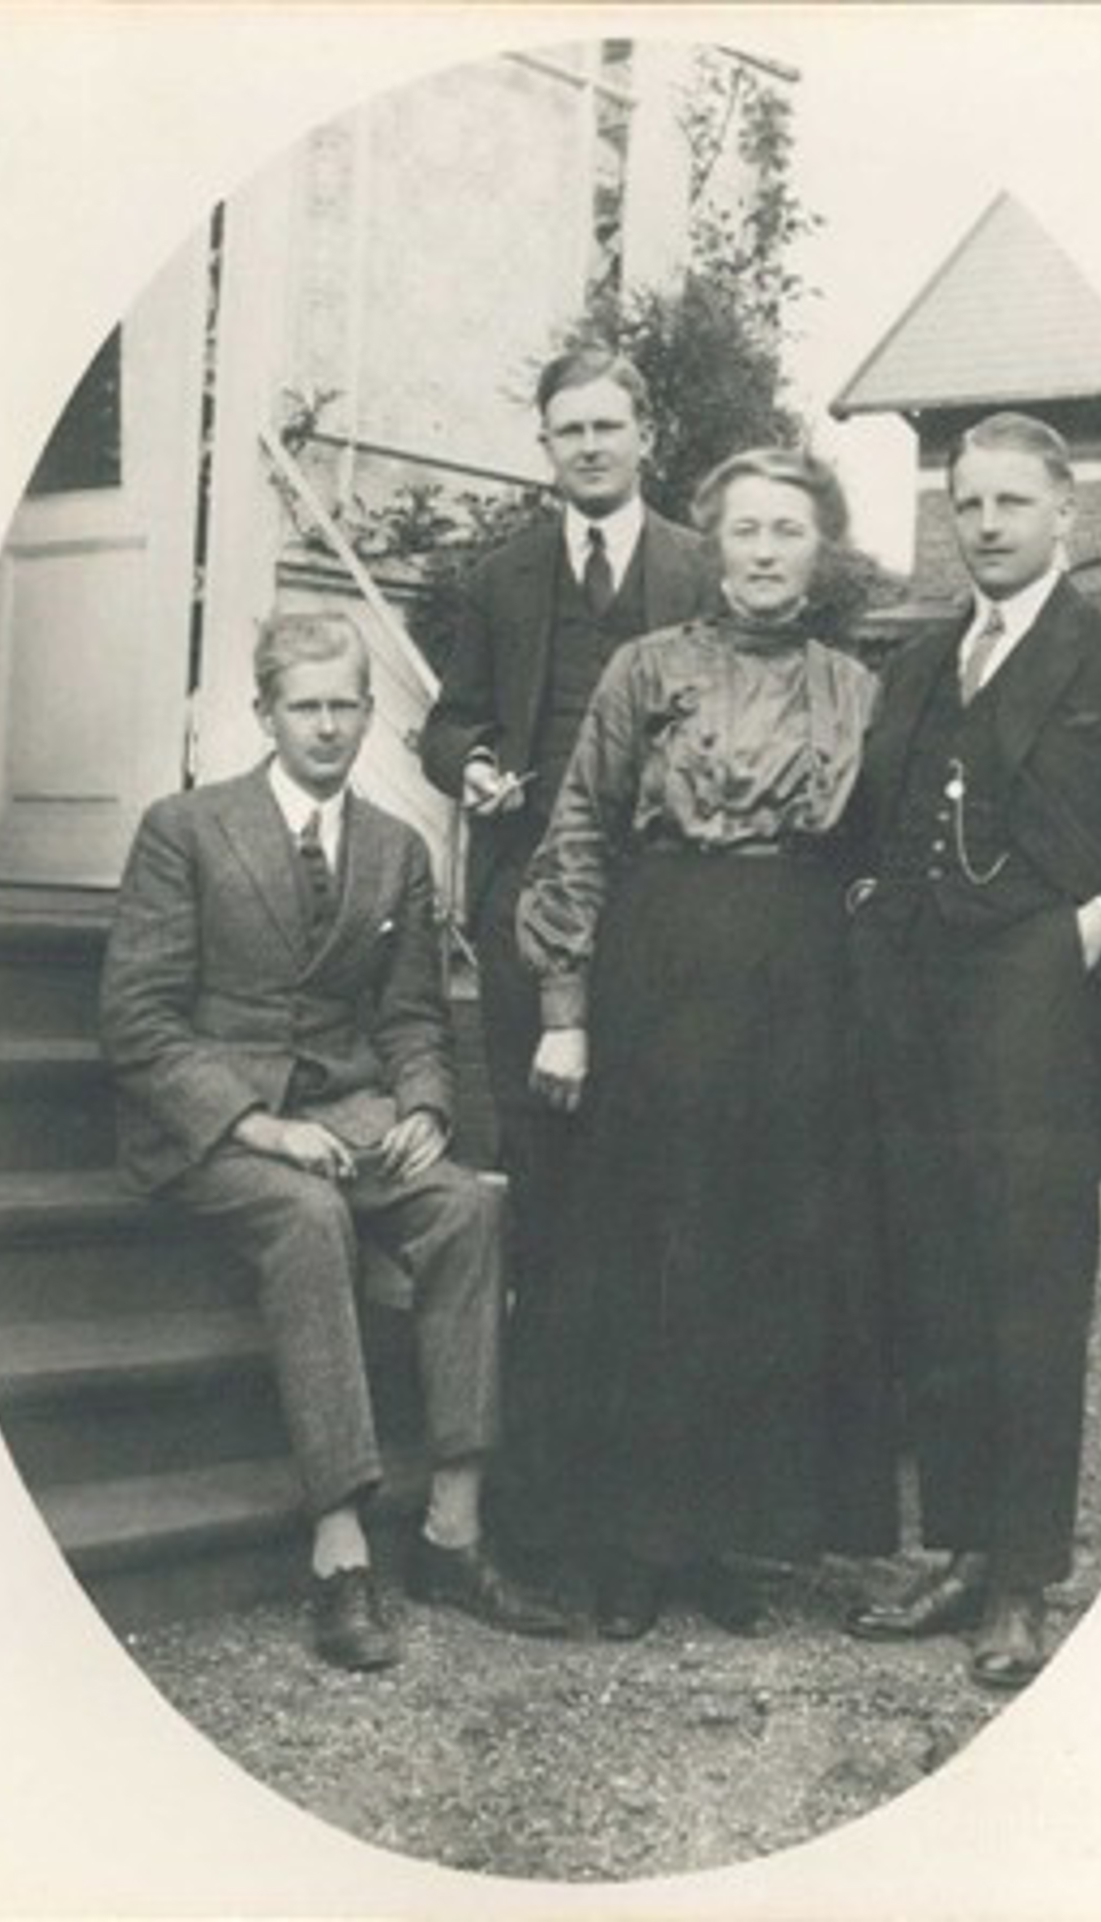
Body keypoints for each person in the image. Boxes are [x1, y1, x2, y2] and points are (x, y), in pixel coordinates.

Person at [844, 412, 1101, 1689]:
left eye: (1010, 504)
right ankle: (966, 1545)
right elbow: (880, 823)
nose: (984, 525)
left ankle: (1024, 1579)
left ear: (1062, 514)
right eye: (967, 503)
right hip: (914, 1009)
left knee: (1028, 1285)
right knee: (935, 1273)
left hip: (1040, 1009)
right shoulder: (920, 663)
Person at [100, 612, 567, 1671]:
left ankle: (454, 1527)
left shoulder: (396, 848)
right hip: (217, 1123)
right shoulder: (186, 828)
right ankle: (340, 1540)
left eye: (343, 704)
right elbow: (137, 1018)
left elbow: (409, 1016)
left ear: (368, 713)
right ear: (264, 713)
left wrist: (421, 1107)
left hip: (352, 1112)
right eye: (303, 705)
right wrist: (255, 1122)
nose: (324, 725)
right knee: (307, 1215)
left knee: (469, 1204)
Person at [516, 447, 899, 1639]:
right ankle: (631, 1543)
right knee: (650, 1248)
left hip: (800, 987)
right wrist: (566, 1012)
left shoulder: (860, 689)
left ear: (820, 550)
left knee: (764, 1254)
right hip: (662, 965)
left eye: (790, 530)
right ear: (713, 543)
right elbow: (577, 828)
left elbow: (882, 863)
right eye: (746, 530)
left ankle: (734, 1536)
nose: (768, 551)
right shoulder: (647, 668)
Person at [418, 343, 710, 1554]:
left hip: (664, 911)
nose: (588, 446)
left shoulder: (702, 563)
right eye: (566, 431)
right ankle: (536, 1491)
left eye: (606, 426)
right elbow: (449, 720)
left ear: (644, 433)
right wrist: (472, 766)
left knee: (656, 1190)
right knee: (539, 1189)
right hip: (529, 902)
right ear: (545, 448)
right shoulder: (502, 576)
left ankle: (650, 1491)